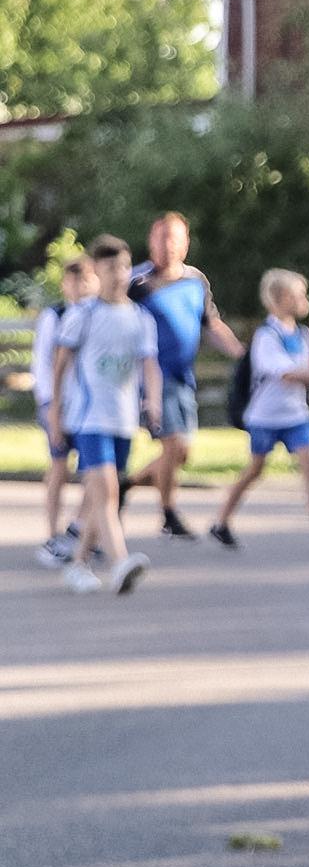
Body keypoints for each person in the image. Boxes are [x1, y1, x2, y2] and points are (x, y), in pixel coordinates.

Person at [209, 270, 309, 555]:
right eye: (299, 295)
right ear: (282, 298)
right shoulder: (266, 335)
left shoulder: (303, 334)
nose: (304, 300)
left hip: (296, 414)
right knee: (255, 469)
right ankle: (221, 520)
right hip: (266, 416)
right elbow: (283, 372)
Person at [121, 212, 243, 540]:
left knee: (181, 453)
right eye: (162, 238)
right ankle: (169, 514)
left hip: (182, 377)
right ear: (151, 241)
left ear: (186, 243)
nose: (168, 245)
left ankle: (126, 485)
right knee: (172, 444)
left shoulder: (195, 280)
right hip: (152, 378)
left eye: (174, 238)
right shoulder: (136, 283)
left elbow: (211, 324)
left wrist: (241, 354)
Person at [47, 236, 157, 597]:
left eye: (124, 267)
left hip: (122, 419)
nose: (119, 275)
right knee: (107, 490)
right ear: (96, 271)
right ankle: (119, 561)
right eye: (111, 268)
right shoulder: (83, 314)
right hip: (89, 418)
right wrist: (55, 411)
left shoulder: (140, 317)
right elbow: (60, 366)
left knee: (102, 495)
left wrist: (153, 401)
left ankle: (78, 564)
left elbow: (149, 364)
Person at [32, 255, 96, 568]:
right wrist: (51, 407)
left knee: (96, 469)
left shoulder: (98, 314)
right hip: (58, 403)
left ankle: (81, 527)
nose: (80, 287)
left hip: (88, 405)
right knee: (59, 465)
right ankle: (52, 533)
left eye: (86, 280)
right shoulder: (54, 316)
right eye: (74, 281)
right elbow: (44, 364)